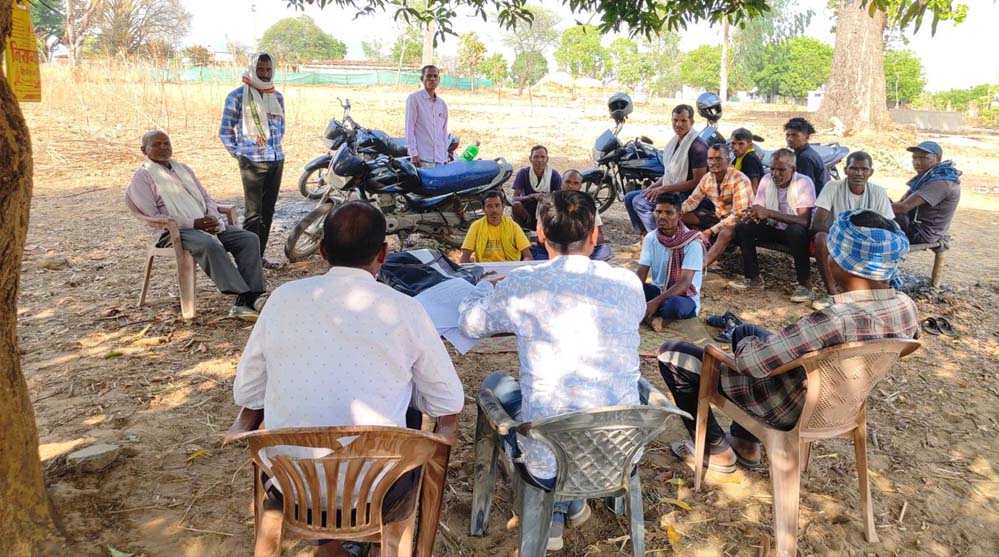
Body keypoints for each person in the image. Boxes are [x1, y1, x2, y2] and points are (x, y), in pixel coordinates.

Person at [233, 201, 464, 557]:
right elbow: (447, 401)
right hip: (380, 491)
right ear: (383, 253)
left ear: (323, 250)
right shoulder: (406, 309)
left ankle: (328, 548)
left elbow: (248, 393)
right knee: (409, 413)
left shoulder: (282, 300)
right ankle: (376, 545)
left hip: (292, 487)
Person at [659, 209, 919, 473]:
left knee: (673, 354)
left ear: (843, 264)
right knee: (744, 331)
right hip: (841, 403)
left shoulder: (835, 320)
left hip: (788, 408)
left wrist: (744, 349)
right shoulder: (906, 307)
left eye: (833, 253)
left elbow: (750, 364)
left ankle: (716, 451)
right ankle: (745, 443)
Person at [459, 190, 646, 551]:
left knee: (497, 384)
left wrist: (482, 287)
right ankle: (569, 504)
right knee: (570, 407)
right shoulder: (628, 284)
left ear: (541, 234)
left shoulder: (524, 284)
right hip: (620, 449)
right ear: (594, 234)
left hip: (548, 460)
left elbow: (470, 324)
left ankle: (558, 506)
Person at [126, 130, 265, 321]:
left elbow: (206, 198)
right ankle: (247, 297)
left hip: (203, 224)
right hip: (171, 232)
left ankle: (252, 295)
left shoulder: (183, 169)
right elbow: (153, 216)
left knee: (248, 239)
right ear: (144, 150)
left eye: (166, 143)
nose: (163, 147)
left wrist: (211, 217)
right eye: (156, 144)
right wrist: (193, 223)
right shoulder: (143, 177)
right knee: (208, 244)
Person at [219, 52, 286, 269]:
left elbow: (281, 128)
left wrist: (273, 149)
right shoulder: (237, 97)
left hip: (276, 159)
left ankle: (259, 256)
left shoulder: (276, 97)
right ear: (251, 69)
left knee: (268, 212)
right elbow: (225, 131)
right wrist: (240, 154)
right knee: (253, 214)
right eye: (260, 69)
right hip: (252, 162)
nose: (264, 74)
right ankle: (248, 263)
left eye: (268, 69)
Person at [729, 148, 817, 303]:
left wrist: (769, 213)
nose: (775, 174)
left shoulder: (803, 182)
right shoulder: (767, 180)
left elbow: (804, 221)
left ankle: (805, 285)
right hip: (775, 228)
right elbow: (759, 208)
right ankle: (753, 278)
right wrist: (753, 213)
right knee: (743, 226)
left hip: (796, 234)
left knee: (795, 231)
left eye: (781, 170)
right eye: (772, 169)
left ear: (793, 169)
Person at [811, 151, 894, 309]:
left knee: (889, 244)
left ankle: (875, 297)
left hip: (867, 242)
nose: (858, 173)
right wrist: (843, 237)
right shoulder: (832, 187)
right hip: (837, 239)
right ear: (845, 170)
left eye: (864, 169)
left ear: (871, 172)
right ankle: (833, 295)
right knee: (821, 238)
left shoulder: (878, 192)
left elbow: (888, 227)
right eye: (854, 168)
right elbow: (818, 222)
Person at [624, 105, 709, 236]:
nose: (678, 124)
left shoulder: (698, 147)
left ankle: (660, 240)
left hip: (688, 195)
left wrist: (663, 189)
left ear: (691, 122)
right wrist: (653, 186)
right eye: (675, 120)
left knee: (640, 203)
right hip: (673, 190)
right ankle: (644, 238)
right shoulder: (675, 142)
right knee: (629, 198)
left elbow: (698, 182)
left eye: (683, 121)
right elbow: (669, 174)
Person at [637, 193, 705, 332]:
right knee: (633, 288)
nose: (662, 216)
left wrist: (655, 302)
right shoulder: (651, 238)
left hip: (683, 297)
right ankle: (653, 317)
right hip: (659, 290)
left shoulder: (692, 243)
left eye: (668, 213)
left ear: (679, 215)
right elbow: (641, 273)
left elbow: (685, 283)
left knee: (673, 306)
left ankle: (649, 314)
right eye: (658, 212)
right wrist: (631, 292)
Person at [680, 143, 753, 270]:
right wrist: (677, 212)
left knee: (725, 232)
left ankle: (701, 265)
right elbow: (692, 201)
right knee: (679, 216)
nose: (713, 162)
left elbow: (739, 215)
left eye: (718, 158)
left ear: (728, 161)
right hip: (719, 218)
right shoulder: (707, 178)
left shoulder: (740, 180)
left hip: (740, 222)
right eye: (710, 159)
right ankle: (682, 250)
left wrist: (711, 230)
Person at [891, 141, 961, 245]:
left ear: (938, 158)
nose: (917, 163)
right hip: (913, 225)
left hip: (921, 234)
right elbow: (901, 202)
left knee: (875, 204)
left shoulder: (940, 182)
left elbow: (903, 207)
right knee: (879, 199)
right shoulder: (928, 177)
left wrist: (872, 208)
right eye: (914, 158)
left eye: (923, 158)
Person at [535, 169, 611, 261]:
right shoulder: (549, 202)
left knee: (603, 250)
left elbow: (599, 237)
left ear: (580, 186)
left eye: (575, 183)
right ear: (561, 183)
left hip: (576, 251)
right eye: (567, 182)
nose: (571, 186)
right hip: (556, 249)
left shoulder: (587, 203)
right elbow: (541, 239)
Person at [459, 190, 533, 263]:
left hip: (510, 268)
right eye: (489, 206)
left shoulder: (513, 226)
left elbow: (528, 256)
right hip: (485, 268)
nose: (494, 210)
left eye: (497, 205)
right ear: (484, 209)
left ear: (503, 207)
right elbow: (464, 258)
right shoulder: (476, 226)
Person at [405, 65, 449, 168]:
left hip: (440, 159)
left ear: (439, 80)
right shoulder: (414, 99)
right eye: (429, 76)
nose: (432, 79)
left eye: (435, 76)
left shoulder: (442, 104)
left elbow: (444, 132)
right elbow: (409, 128)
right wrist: (413, 154)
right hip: (422, 159)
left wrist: (445, 155)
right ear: (422, 78)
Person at [511, 145, 562, 229]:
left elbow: (560, 198)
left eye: (542, 157)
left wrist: (546, 198)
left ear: (547, 159)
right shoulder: (523, 173)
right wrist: (530, 197)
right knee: (516, 205)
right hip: (527, 213)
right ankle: (522, 231)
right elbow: (514, 198)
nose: (539, 160)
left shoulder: (554, 175)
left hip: (546, 214)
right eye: (536, 157)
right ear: (530, 159)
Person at [784, 117, 828, 194]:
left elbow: (805, 188)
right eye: (788, 135)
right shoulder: (804, 153)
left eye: (794, 135)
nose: (790, 139)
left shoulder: (805, 158)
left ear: (806, 137)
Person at [730, 128, 765, 193]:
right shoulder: (740, 156)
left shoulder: (750, 159)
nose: (736, 148)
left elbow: (754, 188)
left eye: (741, 144)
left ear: (750, 146)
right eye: (733, 143)